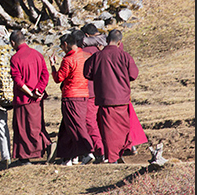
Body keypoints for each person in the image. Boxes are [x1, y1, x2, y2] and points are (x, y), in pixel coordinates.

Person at [81, 23, 148, 160]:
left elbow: (87, 74)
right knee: (123, 127)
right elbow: (133, 75)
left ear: (106, 41)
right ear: (119, 42)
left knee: (109, 130)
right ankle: (125, 148)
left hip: (105, 98)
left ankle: (113, 157)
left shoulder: (98, 56)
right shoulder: (125, 56)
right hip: (122, 98)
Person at [49, 32, 95, 166]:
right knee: (66, 127)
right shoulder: (86, 56)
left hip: (71, 97)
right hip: (84, 95)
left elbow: (58, 78)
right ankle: (67, 157)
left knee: (76, 126)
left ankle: (87, 151)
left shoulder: (68, 60)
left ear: (65, 45)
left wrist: (52, 66)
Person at [9, 30, 54, 166]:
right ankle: (48, 145)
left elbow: (18, 81)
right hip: (37, 99)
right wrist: (38, 90)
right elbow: (45, 75)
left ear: (13, 43)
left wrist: (29, 93)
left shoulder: (15, 58)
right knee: (37, 125)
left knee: (22, 128)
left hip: (23, 99)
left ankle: (24, 158)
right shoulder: (37, 54)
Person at [78, 24, 106, 162]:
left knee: (90, 121)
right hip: (106, 90)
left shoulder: (83, 51)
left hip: (89, 91)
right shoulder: (105, 47)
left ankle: (100, 150)